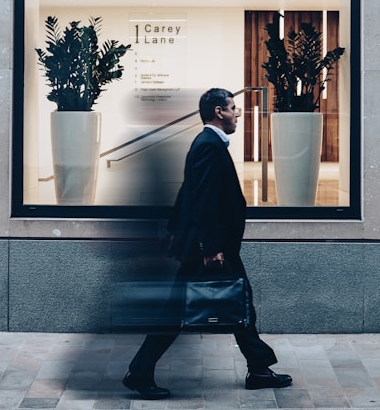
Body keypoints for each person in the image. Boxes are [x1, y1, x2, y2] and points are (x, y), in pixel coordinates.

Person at [122, 88, 292, 400]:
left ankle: (258, 368)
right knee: (190, 310)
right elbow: (202, 199)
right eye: (233, 108)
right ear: (218, 112)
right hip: (211, 249)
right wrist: (211, 248)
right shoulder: (209, 145)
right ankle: (141, 371)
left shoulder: (207, 144)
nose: (237, 113)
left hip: (209, 246)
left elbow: (189, 189)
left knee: (238, 302)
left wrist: (174, 228)